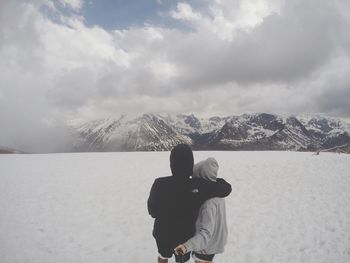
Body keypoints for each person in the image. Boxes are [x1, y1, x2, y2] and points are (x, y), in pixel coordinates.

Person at [148, 144, 231, 263]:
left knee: (163, 255)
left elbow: (152, 211)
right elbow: (225, 189)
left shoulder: (159, 183)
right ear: (191, 164)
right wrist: (220, 181)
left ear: (172, 163)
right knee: (181, 258)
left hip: (162, 234)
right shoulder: (198, 185)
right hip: (184, 236)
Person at [175, 157, 228, 263]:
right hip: (216, 241)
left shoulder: (208, 203)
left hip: (206, 246)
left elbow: (205, 234)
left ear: (200, 176)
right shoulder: (219, 194)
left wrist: (186, 246)